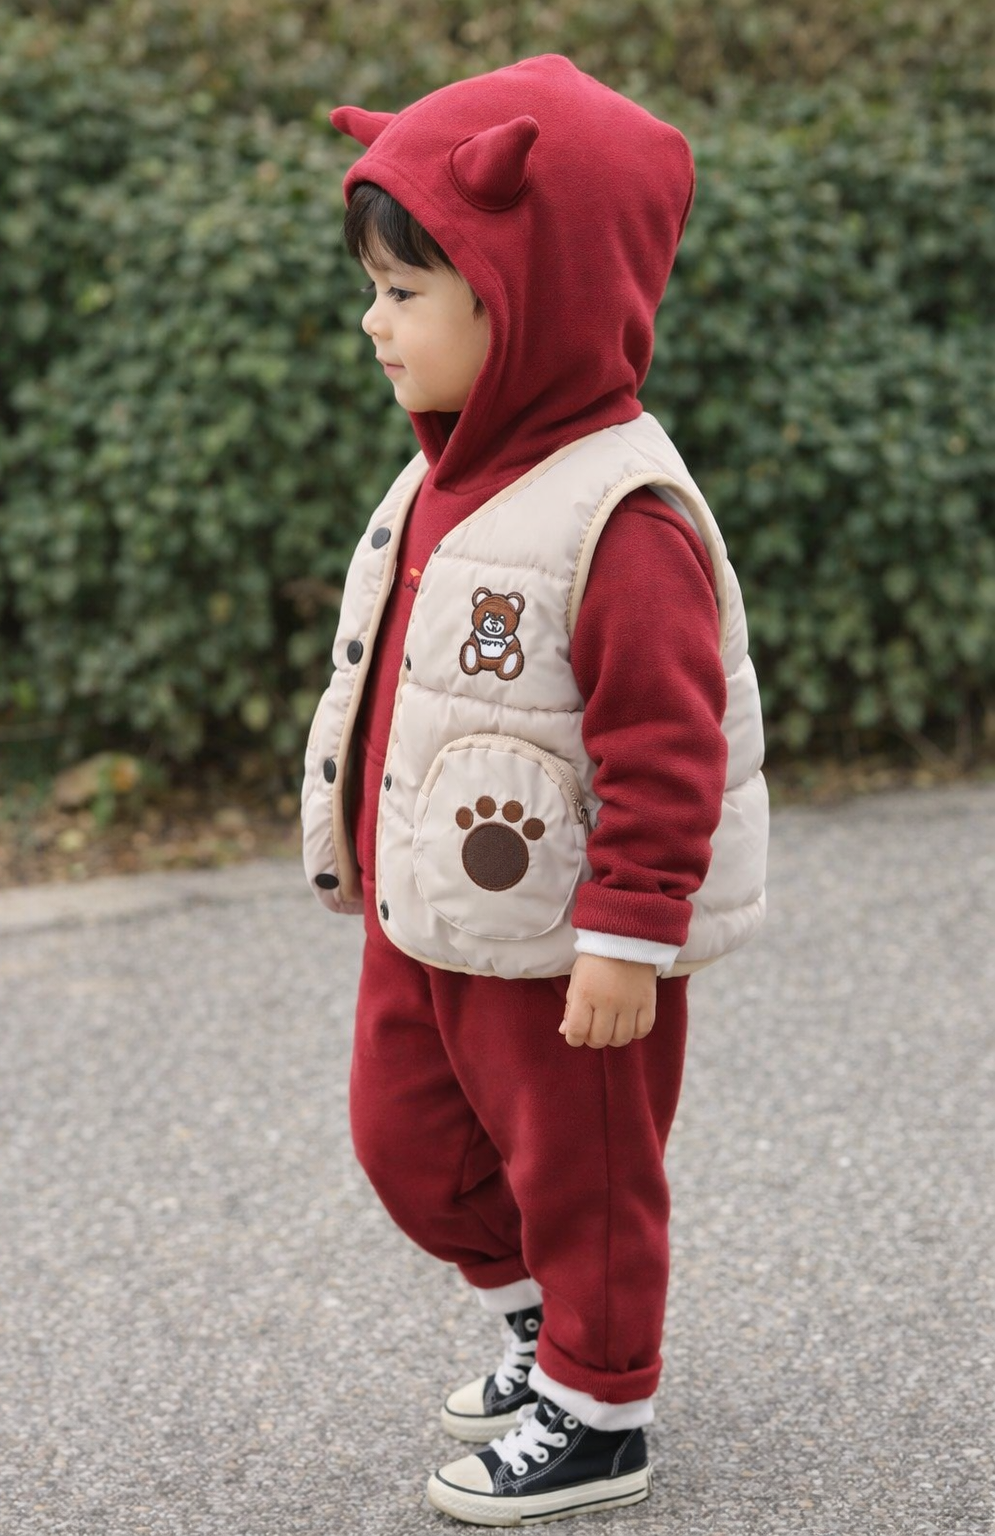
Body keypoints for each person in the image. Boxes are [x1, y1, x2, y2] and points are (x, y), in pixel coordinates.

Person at [301, 53, 768, 1526]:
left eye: (403, 292)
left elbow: (669, 745)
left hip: (573, 946)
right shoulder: (449, 468)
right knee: (408, 1140)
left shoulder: (621, 519)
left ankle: (600, 1408)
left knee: (587, 1174)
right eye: (373, 289)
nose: (372, 322)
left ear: (526, 298)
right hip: (434, 906)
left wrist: (629, 935)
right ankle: (538, 1329)